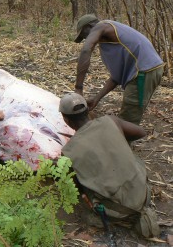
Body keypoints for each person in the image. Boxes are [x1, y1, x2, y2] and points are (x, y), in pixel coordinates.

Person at [58, 92, 160, 237]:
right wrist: (117, 138)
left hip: (118, 211)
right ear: (88, 110)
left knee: (85, 184)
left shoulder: (68, 151)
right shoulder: (111, 121)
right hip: (143, 194)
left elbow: (77, 188)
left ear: (66, 120)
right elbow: (141, 132)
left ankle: (105, 218)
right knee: (131, 158)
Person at [73, 14, 164, 125]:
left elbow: (86, 50)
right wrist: (97, 98)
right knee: (129, 115)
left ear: (90, 26)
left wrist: (78, 88)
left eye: (84, 34)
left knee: (128, 119)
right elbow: (116, 77)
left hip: (143, 73)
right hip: (148, 70)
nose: (86, 38)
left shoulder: (102, 26)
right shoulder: (110, 43)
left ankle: (122, 141)